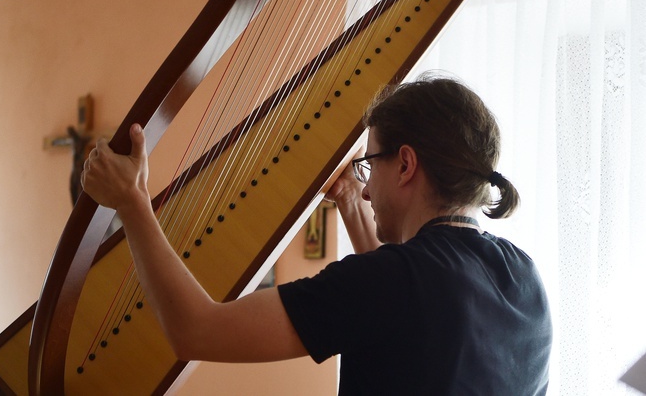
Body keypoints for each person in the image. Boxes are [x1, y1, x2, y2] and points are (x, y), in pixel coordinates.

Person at [82, 72, 552, 394]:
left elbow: (195, 331)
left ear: (406, 164)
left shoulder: (392, 282)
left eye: (369, 166)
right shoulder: (524, 278)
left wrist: (133, 202)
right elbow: (408, 315)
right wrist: (347, 202)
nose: (367, 193)